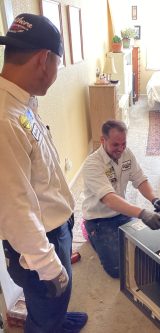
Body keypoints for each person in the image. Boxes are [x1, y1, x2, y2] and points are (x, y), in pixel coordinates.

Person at [0, 13, 87, 332]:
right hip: (41, 240)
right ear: (44, 60)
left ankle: (58, 320)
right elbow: (14, 209)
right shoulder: (5, 119)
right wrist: (49, 268)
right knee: (45, 305)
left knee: (54, 305)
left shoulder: (21, 103)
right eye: (58, 66)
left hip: (54, 226)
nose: (55, 74)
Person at [82, 119, 160, 278]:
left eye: (123, 144)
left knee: (146, 249)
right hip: (99, 219)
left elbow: (140, 179)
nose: (121, 149)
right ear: (103, 140)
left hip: (122, 212)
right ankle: (89, 232)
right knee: (117, 268)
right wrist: (142, 213)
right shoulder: (92, 164)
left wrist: (154, 199)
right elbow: (109, 199)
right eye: (116, 145)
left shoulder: (127, 154)